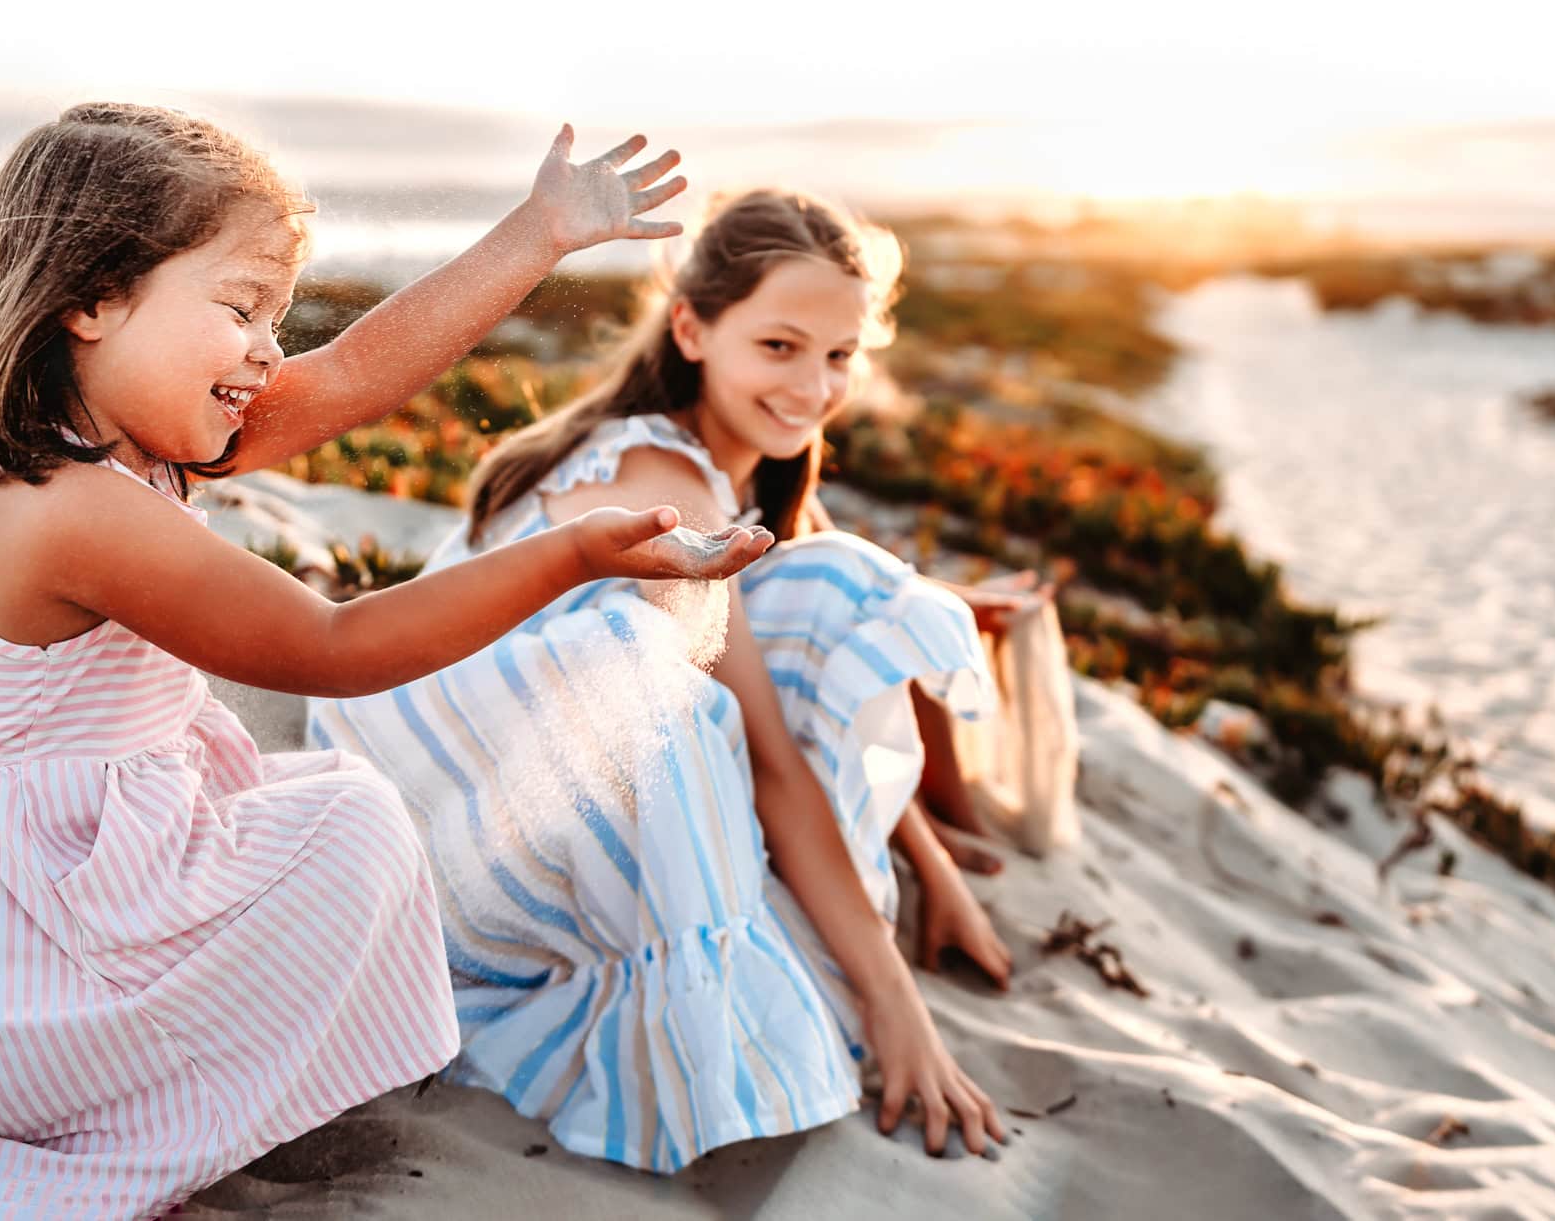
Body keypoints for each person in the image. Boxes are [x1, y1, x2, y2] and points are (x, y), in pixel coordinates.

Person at [0, 102, 771, 1221]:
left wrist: (537, 233)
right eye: (241, 307)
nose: (268, 349)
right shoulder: (66, 509)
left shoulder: (121, 438)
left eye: (277, 315)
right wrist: (579, 551)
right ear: (92, 298)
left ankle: (124, 1084)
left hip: (37, 889)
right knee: (348, 823)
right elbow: (331, 645)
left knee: (331, 816)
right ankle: (93, 1116)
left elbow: (349, 376)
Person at [307, 188, 1029, 1173]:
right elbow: (775, 757)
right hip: (444, 834)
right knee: (828, 592)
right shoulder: (664, 476)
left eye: (837, 355)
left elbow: (783, 671)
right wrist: (897, 1006)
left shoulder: (726, 467)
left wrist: (932, 868)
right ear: (691, 326)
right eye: (778, 346)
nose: (814, 385)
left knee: (824, 581)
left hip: (509, 793)